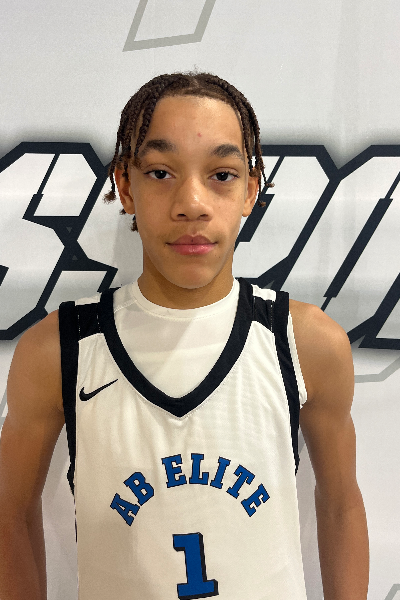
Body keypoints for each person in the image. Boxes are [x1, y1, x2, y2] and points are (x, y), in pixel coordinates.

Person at [0, 72, 368, 599]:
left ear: (251, 189)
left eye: (221, 175)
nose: (192, 202)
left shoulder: (306, 342)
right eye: (160, 172)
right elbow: (10, 513)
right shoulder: (58, 348)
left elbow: (340, 505)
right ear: (125, 186)